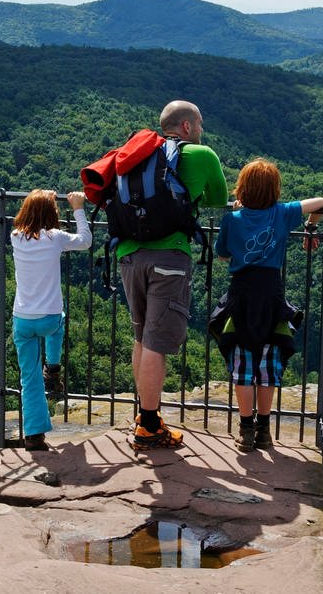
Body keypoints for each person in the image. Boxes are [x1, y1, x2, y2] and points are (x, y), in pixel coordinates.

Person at [117, 100, 228, 450]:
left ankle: (144, 414)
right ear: (186, 127)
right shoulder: (201, 154)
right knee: (157, 342)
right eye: (199, 124)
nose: (201, 130)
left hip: (128, 255)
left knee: (140, 337)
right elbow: (218, 198)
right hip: (169, 258)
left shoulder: (138, 152)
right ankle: (149, 426)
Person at [213, 158, 323, 452]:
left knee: (243, 366)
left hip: (241, 297)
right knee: (267, 366)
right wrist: (310, 229)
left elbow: (223, 254)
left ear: (242, 188)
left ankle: (246, 430)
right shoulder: (282, 213)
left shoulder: (232, 220)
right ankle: (265, 430)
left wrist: (239, 215)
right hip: (272, 297)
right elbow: (321, 202)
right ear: (275, 190)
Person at [11, 189, 91, 451]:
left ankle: (33, 435)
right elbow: (85, 240)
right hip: (49, 318)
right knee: (59, 323)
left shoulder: (15, 237)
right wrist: (77, 207)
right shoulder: (55, 238)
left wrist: (43, 198)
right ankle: (53, 368)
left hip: (22, 320)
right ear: (51, 214)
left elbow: (30, 228)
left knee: (28, 378)